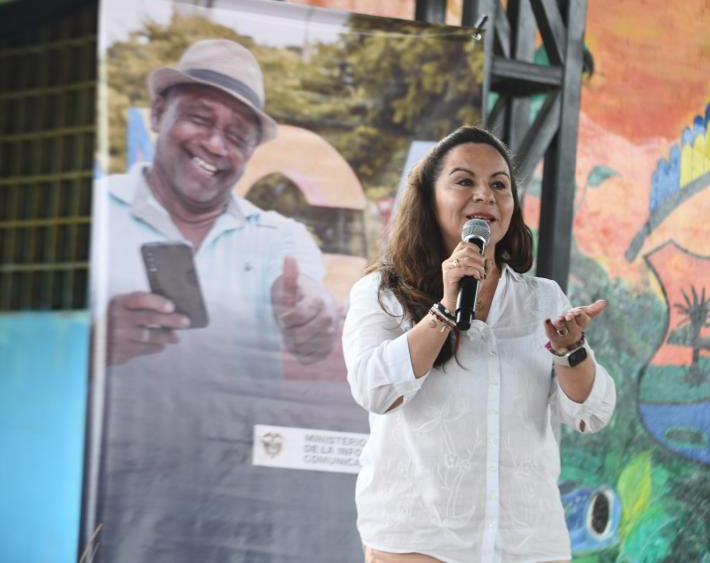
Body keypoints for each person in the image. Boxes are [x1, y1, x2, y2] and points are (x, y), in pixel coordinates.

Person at [90, 38, 346, 562]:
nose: (214, 144)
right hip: (100, 508)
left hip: (230, 519)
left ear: (250, 153)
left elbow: (312, 300)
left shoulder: (277, 236)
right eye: (199, 119)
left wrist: (311, 320)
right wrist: (90, 341)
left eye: (235, 135)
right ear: (160, 113)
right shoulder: (89, 215)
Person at [343, 126, 617, 562]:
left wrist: (572, 351)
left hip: (527, 544)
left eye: (499, 185)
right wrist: (445, 309)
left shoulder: (542, 299)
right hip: (419, 541)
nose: (485, 196)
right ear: (429, 199)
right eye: (464, 181)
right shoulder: (382, 293)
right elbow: (375, 390)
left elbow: (591, 414)